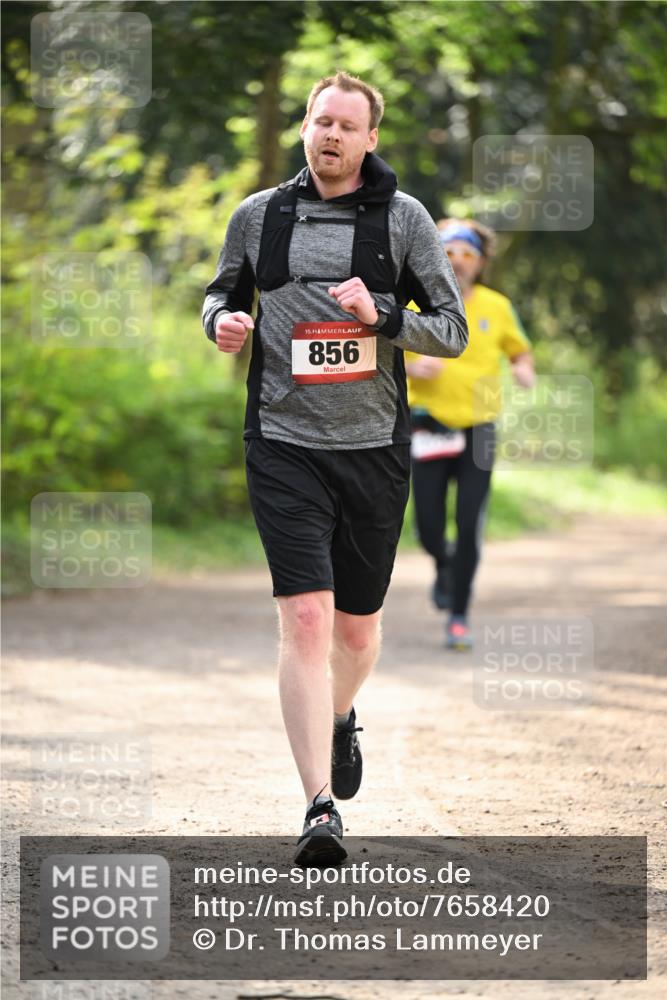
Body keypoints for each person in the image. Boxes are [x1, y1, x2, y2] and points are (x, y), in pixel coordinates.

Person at [202, 72, 468, 866]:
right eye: (320, 121)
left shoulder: (403, 220)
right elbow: (216, 294)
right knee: (307, 620)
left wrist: (381, 315)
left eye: (346, 126)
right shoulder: (259, 215)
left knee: (355, 630)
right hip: (281, 442)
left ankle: (341, 715)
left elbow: (450, 332)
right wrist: (224, 321)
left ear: (369, 139)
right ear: (304, 127)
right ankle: (319, 808)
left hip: (372, 451)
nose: (330, 136)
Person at [405, 219, 535, 650]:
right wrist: (409, 365)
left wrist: (522, 369)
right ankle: (444, 562)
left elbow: (519, 349)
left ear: (480, 262)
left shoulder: (497, 306)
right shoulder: (412, 301)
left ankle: (459, 615)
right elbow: (378, 346)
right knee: (426, 525)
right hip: (426, 421)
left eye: (467, 255)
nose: (458, 263)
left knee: (469, 522)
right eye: (449, 254)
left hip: (479, 427)